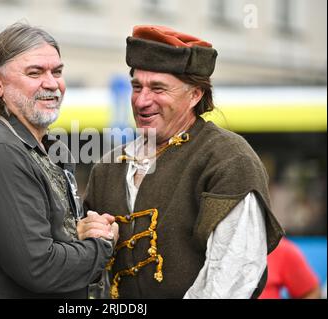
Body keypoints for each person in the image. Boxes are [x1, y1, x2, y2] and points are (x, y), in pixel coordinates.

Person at [83, 25, 284, 299]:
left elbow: (232, 279)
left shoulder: (228, 159)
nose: (142, 101)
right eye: (136, 86)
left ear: (195, 95)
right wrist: (83, 238)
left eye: (158, 88)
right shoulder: (108, 168)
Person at [0, 23, 118, 298]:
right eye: (35, 72)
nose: (52, 83)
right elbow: (40, 267)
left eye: (57, 72)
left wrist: (77, 232)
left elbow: (37, 240)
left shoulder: (39, 146)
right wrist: (101, 243)